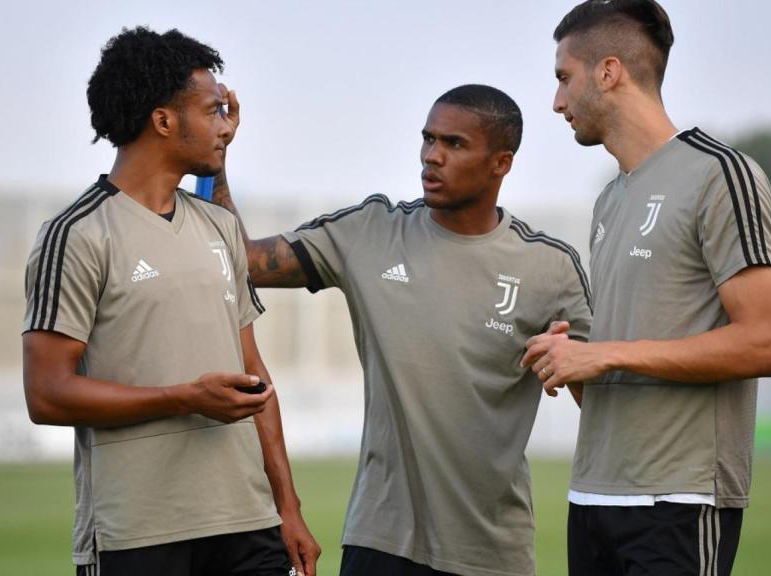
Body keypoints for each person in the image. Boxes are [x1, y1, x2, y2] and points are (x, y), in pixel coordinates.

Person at [210, 84, 593, 576]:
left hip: (492, 554)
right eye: (428, 139)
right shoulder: (370, 231)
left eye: (454, 144)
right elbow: (242, 262)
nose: (432, 156)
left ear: (502, 162)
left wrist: (572, 364)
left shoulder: (550, 266)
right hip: (380, 543)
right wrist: (215, 158)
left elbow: (600, 401)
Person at [21, 27, 319, 576]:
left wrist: (288, 507)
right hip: (138, 530)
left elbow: (255, 375)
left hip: (247, 524)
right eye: (213, 111)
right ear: (163, 121)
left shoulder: (219, 226)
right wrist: (183, 397)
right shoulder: (78, 234)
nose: (226, 126)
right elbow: (47, 395)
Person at [523, 1, 771, 574]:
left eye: (564, 78)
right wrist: (567, 360)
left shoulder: (721, 174)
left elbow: (764, 345)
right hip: (591, 497)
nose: (557, 102)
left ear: (609, 71)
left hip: (679, 501)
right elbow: (618, 369)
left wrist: (604, 354)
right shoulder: (609, 199)